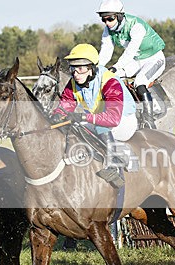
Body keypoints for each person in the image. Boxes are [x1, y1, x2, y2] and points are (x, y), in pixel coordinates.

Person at [52, 43, 137, 189]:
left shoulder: (110, 82)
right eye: (73, 68)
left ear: (92, 68)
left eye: (80, 68)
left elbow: (113, 118)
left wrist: (83, 117)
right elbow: (65, 105)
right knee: (74, 126)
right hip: (99, 119)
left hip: (123, 121)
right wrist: (57, 115)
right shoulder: (74, 82)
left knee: (98, 125)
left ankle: (114, 165)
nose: (75, 74)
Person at [96, 0, 166, 128]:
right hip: (136, 61)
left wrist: (116, 67)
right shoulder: (107, 31)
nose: (107, 23)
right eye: (103, 19)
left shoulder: (136, 26)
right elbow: (105, 52)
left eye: (110, 18)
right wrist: (95, 69)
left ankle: (149, 120)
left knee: (140, 81)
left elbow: (130, 52)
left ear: (120, 16)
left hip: (155, 59)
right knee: (113, 78)